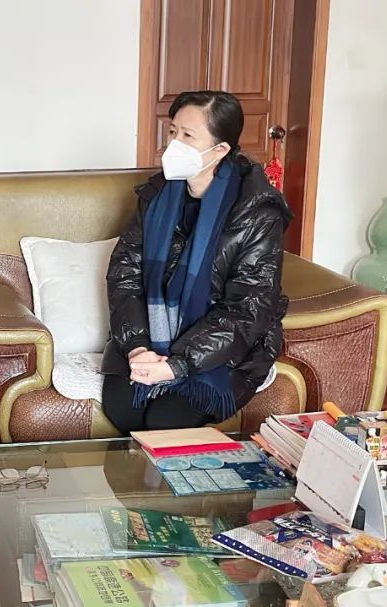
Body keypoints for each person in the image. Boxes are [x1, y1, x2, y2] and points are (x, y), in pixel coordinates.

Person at [101, 91, 291, 434]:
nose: (174, 144)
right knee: (123, 410)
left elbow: (248, 308)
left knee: (165, 420)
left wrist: (179, 364)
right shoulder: (156, 194)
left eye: (188, 136)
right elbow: (125, 275)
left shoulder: (258, 211)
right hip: (152, 338)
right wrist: (137, 346)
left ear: (220, 150)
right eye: (173, 132)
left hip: (223, 352)